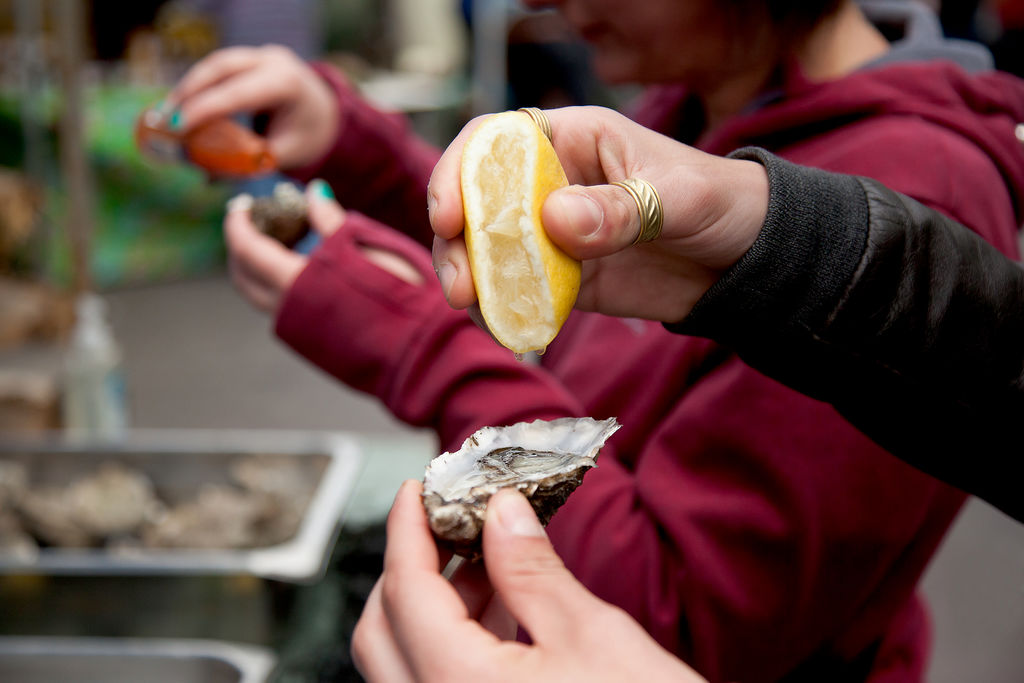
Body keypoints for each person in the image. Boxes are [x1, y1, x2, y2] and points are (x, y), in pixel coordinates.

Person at [165, 0, 1024, 680]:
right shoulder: (701, 96)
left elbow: (673, 626)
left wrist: (422, 348)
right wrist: (354, 145)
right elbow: (545, 263)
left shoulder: (921, 181)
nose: (540, 2)